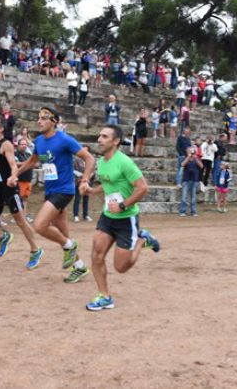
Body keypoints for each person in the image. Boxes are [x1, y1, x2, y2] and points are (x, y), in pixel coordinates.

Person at [82, 125, 160, 311]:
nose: (99, 139)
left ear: (115, 141)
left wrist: (123, 205)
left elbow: (142, 188)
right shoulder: (101, 162)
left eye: (105, 136)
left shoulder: (125, 162)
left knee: (121, 267)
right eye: (99, 135)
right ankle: (105, 296)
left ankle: (142, 240)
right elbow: (108, 183)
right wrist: (92, 190)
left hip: (126, 218)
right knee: (97, 255)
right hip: (108, 217)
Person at [14, 106, 94, 283]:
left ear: (54, 121)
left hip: (64, 190)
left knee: (40, 225)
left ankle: (70, 246)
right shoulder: (40, 141)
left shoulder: (65, 139)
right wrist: (15, 174)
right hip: (50, 190)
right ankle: (79, 266)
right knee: (63, 234)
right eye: (38, 118)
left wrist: (85, 179)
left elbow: (89, 158)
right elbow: (33, 161)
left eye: (44, 118)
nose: (39, 121)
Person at [0, 117, 44, 269]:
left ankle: (35, 250)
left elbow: (12, 164)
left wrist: (13, 176)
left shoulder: (6, 144)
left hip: (9, 188)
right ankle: (3, 236)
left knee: (20, 222)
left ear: (1, 129)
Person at [179, 146, 203, 216]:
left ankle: (193, 211)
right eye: (190, 151)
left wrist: (196, 158)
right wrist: (188, 157)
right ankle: (183, 211)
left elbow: (201, 166)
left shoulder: (197, 158)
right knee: (184, 197)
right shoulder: (184, 158)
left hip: (195, 179)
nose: (191, 152)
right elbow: (182, 164)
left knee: (193, 197)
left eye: (192, 151)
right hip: (186, 179)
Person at [73, 145, 94, 223]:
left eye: (86, 150)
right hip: (79, 181)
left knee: (86, 199)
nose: (84, 152)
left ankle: (86, 215)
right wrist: (82, 176)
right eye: (83, 150)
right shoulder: (76, 160)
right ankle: (76, 215)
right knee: (77, 199)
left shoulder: (91, 160)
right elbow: (73, 170)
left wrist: (88, 177)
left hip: (88, 182)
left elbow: (93, 170)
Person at [15, 138, 34, 222]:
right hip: (20, 180)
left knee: (25, 199)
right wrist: (28, 163)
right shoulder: (15, 154)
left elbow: (35, 163)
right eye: (22, 144)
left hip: (28, 180)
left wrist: (30, 163)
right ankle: (19, 216)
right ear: (18, 145)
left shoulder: (28, 154)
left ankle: (24, 215)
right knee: (19, 199)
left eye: (25, 144)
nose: (24, 146)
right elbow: (16, 163)